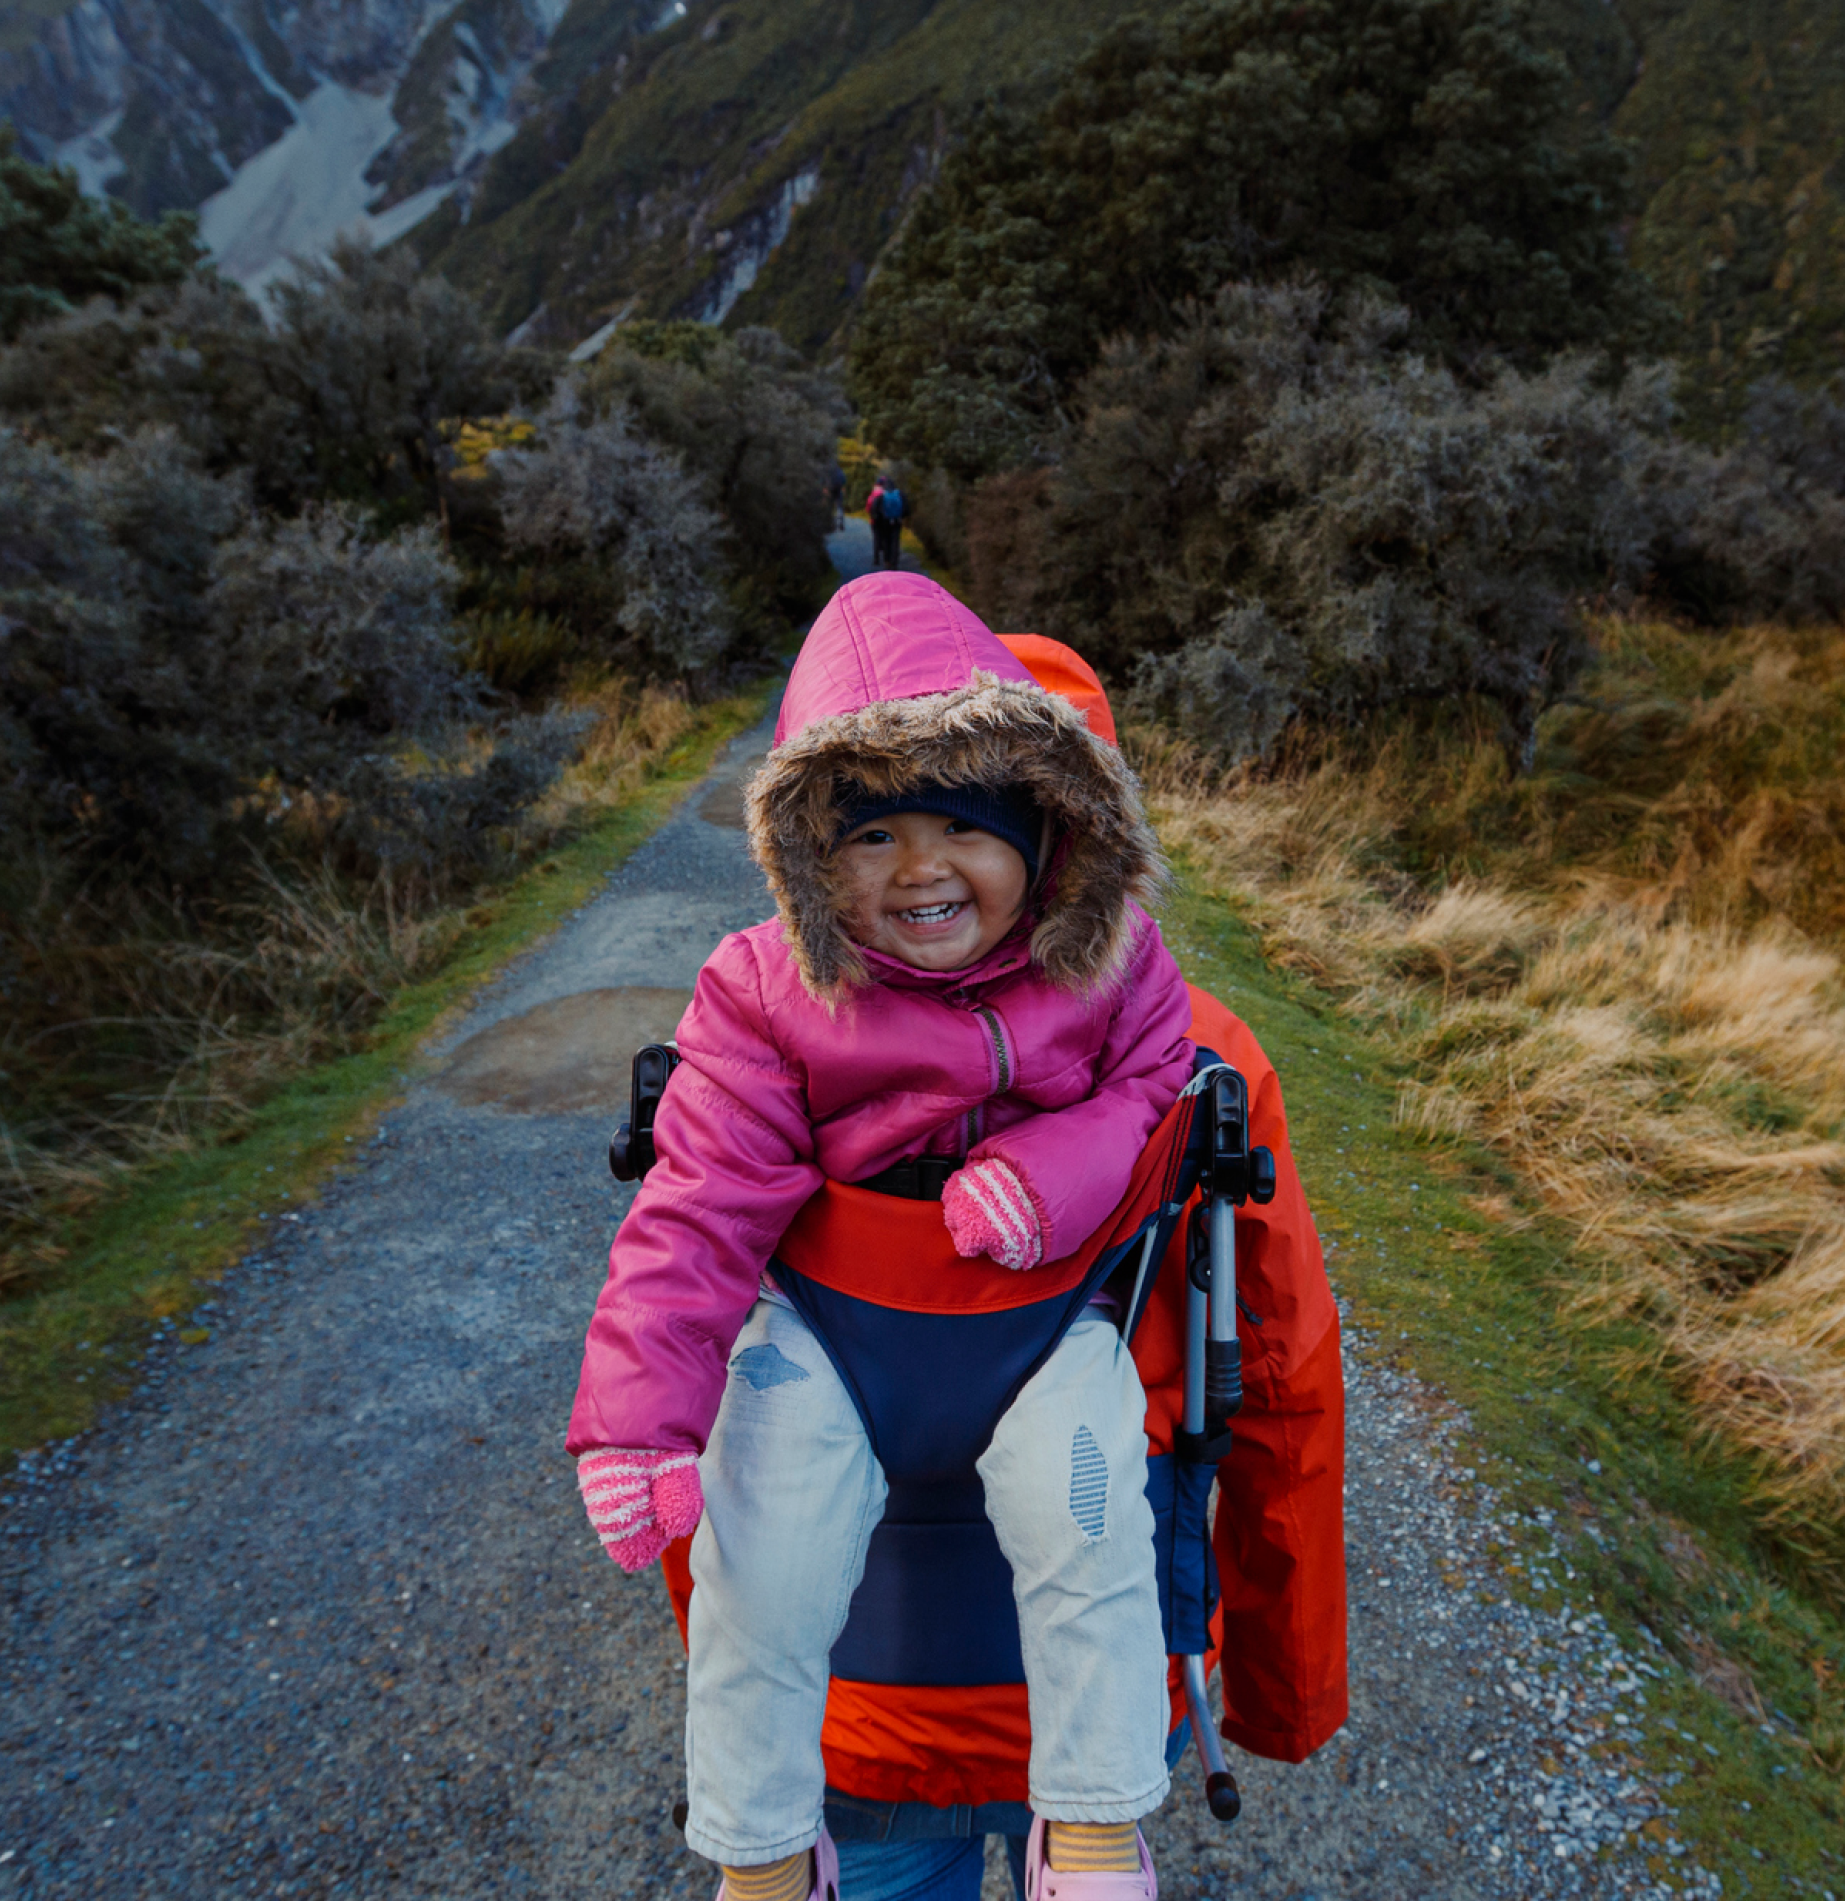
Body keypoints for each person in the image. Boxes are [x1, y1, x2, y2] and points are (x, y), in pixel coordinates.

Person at [568, 573, 1194, 1901]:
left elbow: (1154, 1087)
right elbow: (700, 1202)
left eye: (963, 824)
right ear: (808, 853)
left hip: (1039, 1330)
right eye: (870, 834)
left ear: (1044, 820)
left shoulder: (1109, 959)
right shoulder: (766, 988)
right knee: (759, 1558)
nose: (919, 868)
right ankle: (763, 1844)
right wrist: (637, 1419)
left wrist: (1051, 1170)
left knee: (1093, 1511)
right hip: (836, 1338)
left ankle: (1090, 1818)